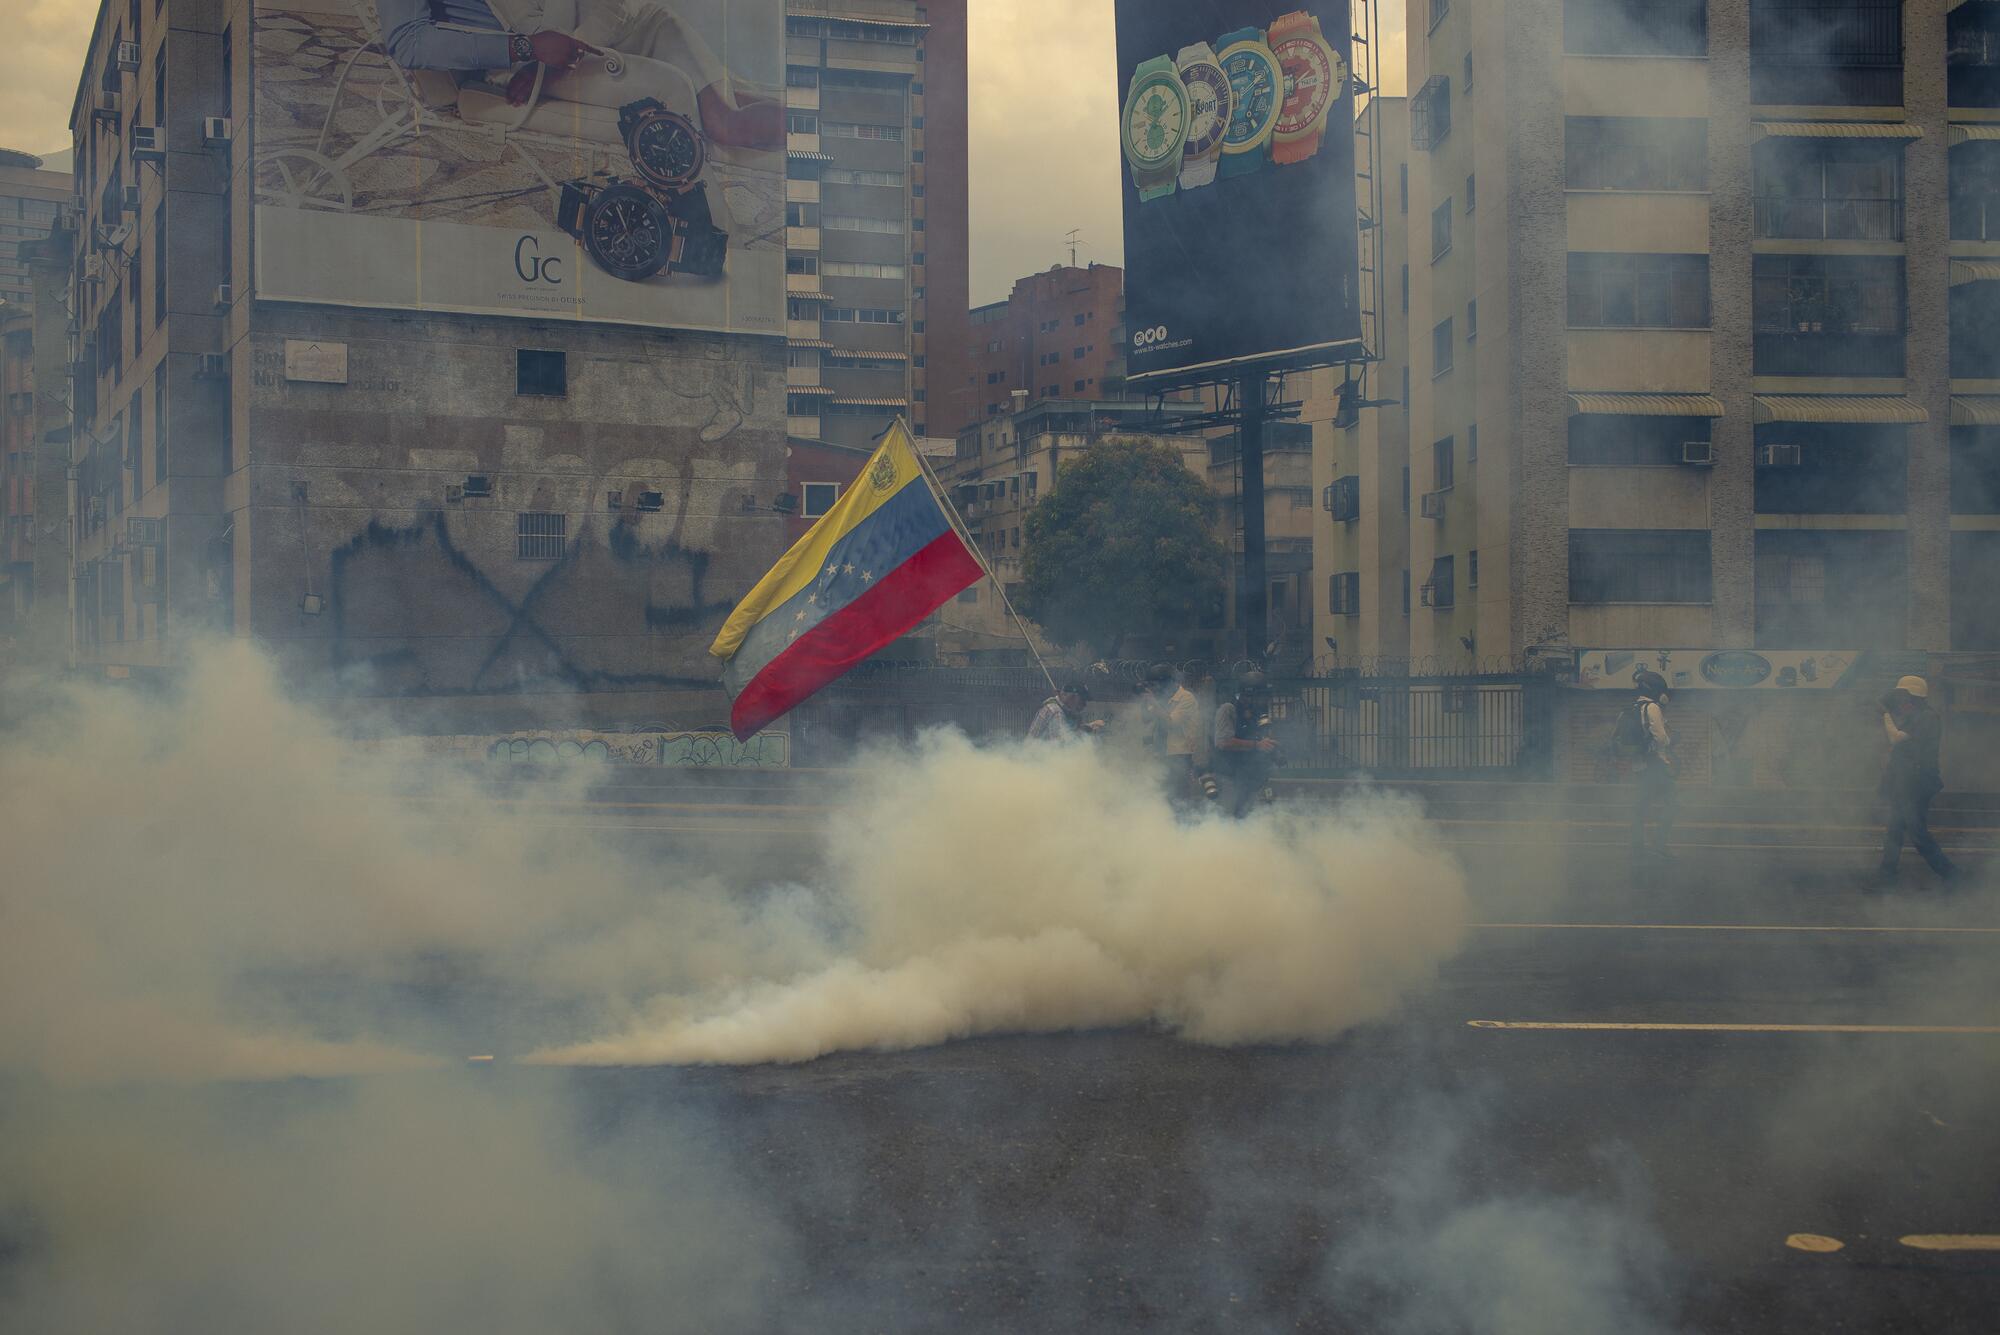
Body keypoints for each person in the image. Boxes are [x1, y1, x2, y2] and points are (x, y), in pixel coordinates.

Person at [378, 0, 782, 149]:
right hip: (570, 54)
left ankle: (827, 131)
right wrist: (526, 50)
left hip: (631, 26)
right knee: (726, 124)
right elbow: (409, 42)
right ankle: (827, 131)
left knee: (734, 113)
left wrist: (538, 54)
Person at [1876, 675, 1958, 887]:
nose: (1900, 701)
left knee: (1918, 833)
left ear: (1914, 697)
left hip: (1916, 785)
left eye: (1903, 696)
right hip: (1905, 784)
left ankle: (1953, 875)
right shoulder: (1914, 717)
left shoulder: (1927, 718)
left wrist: (1884, 713)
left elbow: (1895, 738)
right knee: (1894, 830)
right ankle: (1886, 875)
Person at [1212, 670, 1280, 817]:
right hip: (1229, 775)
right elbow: (1223, 742)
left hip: (1249, 777)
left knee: (1246, 818)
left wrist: (1271, 748)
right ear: (1248, 695)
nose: (1264, 700)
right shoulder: (1228, 709)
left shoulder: (1257, 712)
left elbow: (1261, 737)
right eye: (1261, 696)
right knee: (1228, 817)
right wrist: (1257, 745)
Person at [1630, 670, 1676, 864]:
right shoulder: (1652, 708)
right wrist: (1670, 738)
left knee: (1640, 808)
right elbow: (1660, 738)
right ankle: (1658, 846)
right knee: (1674, 804)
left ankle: (1638, 847)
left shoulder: (1633, 707)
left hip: (1639, 765)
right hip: (1655, 765)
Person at [1140, 663, 1203, 803]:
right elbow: (1146, 719)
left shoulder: (1186, 698)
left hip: (1179, 756)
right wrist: (1145, 702)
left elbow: (1171, 723)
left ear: (1168, 684)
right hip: (1161, 754)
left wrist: (1153, 702)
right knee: (1161, 796)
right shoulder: (1162, 699)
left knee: (1179, 798)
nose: (1154, 689)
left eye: (1156, 685)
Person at [1027, 681, 1103, 742]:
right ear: (1071, 697)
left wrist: (1087, 727)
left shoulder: (1062, 710)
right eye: (1082, 700)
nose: (1084, 705)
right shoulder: (1056, 711)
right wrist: (1086, 729)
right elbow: (1059, 745)